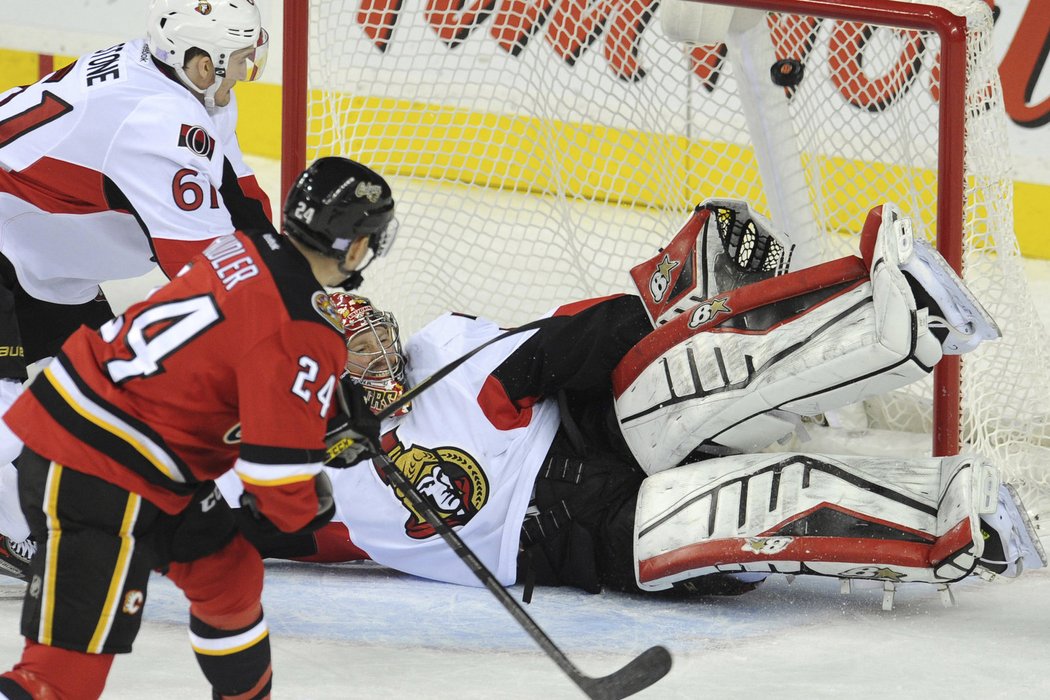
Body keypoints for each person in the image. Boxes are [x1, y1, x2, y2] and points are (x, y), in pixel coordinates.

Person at [232, 199, 1044, 602]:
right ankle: (959, 526)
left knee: (692, 375)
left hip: (600, 434)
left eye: (372, 330)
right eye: (355, 350)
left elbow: (565, 345)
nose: (380, 348)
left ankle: (898, 315)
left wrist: (663, 299)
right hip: (564, 538)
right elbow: (188, 516)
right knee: (738, 510)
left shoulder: (441, 348)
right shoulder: (286, 487)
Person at [0, 155, 397, 700]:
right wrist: (314, 492)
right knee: (59, 680)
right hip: (99, 469)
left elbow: (226, 350)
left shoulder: (243, 246)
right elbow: (279, 497)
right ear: (355, 246)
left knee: (226, 573)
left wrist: (318, 409)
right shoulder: (306, 331)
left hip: (127, 444)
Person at [0, 0, 278, 563]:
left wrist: (293, 287)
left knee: (110, 404)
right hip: (12, 247)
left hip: (39, 259)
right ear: (202, 63)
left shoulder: (179, 81)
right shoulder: (158, 121)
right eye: (243, 60)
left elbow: (240, 199)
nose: (249, 71)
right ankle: (15, 529)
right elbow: (204, 272)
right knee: (9, 417)